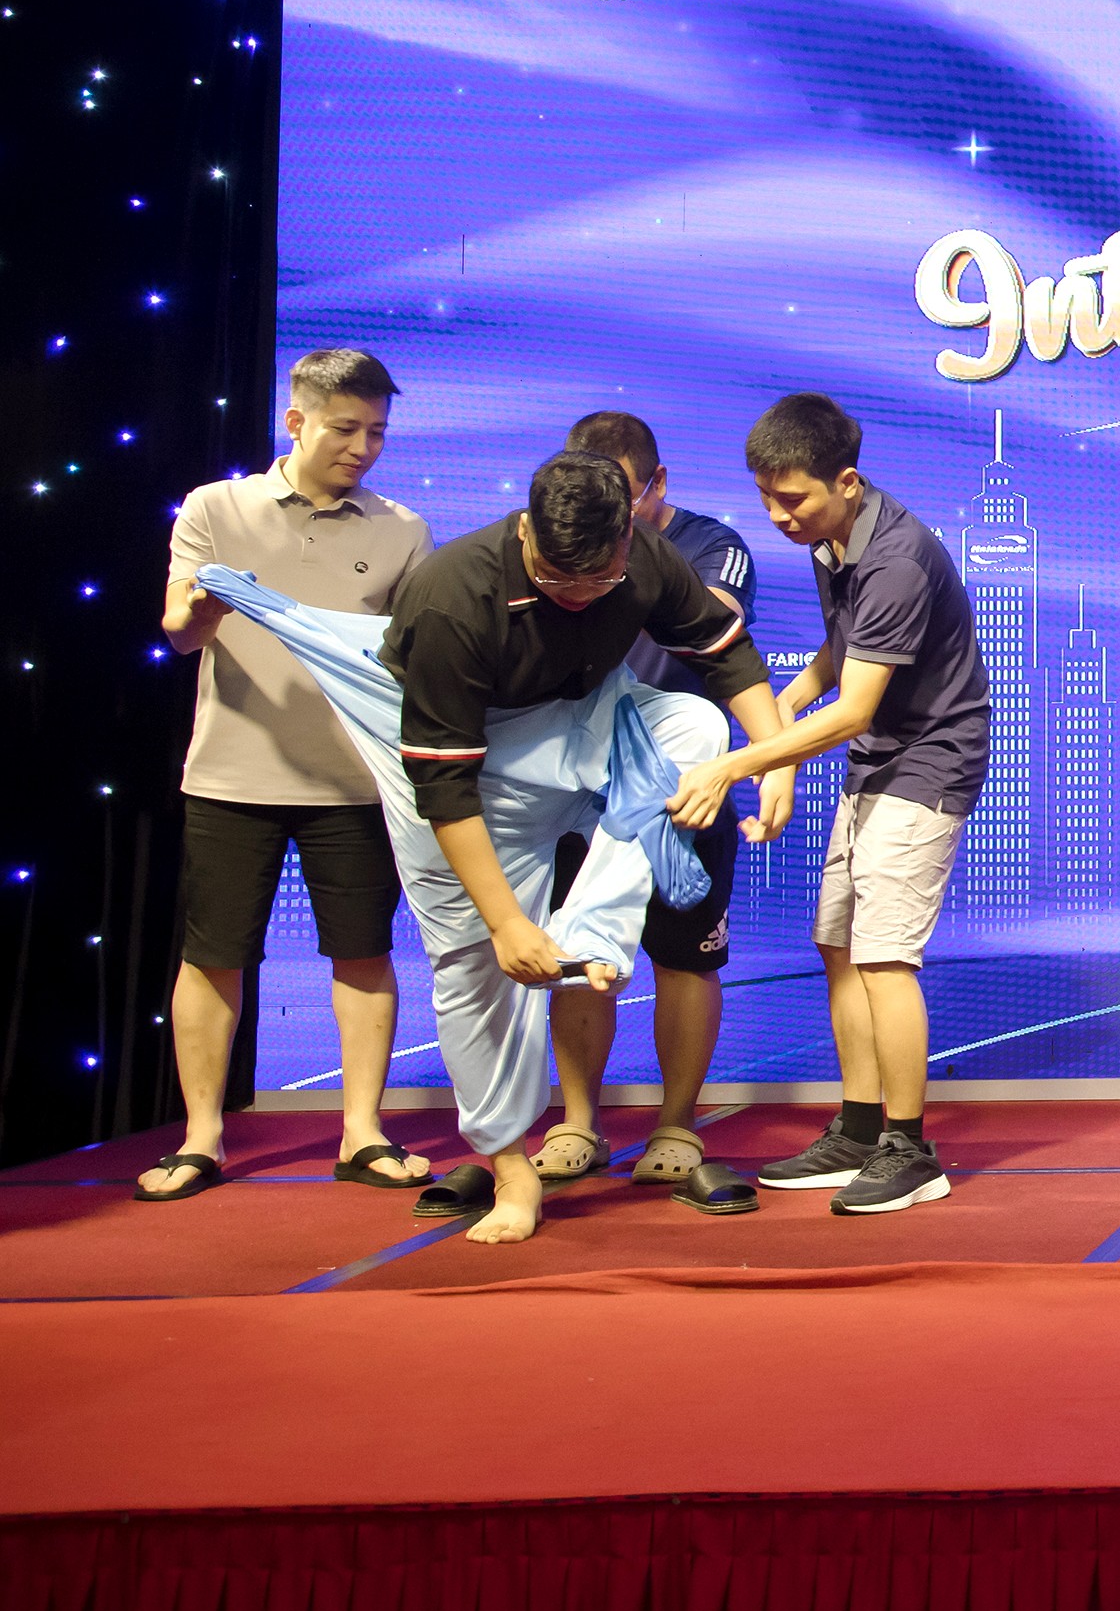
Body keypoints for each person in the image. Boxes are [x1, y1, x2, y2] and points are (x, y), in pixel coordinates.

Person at [373, 449, 793, 1243]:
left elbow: (724, 651)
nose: (577, 595)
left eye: (599, 581)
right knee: (471, 963)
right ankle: (509, 1168)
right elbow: (444, 787)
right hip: (472, 760)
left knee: (695, 724)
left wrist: (773, 761)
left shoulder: (643, 559)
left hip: (584, 715)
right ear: (524, 531)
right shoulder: (453, 598)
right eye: (556, 578)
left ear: (629, 537)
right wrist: (507, 924)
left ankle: (594, 930)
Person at [667, 394, 992, 1218]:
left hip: (930, 760)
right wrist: (779, 712)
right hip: (879, 756)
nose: (778, 516)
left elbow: (851, 711)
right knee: (839, 943)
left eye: (793, 500)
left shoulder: (896, 559)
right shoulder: (832, 540)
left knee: (884, 956)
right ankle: (857, 1129)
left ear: (846, 481)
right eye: (766, 498)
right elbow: (843, 653)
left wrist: (736, 763)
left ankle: (910, 1150)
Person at [140, 350, 433, 1203]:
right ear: (296, 421)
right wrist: (206, 606)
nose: (362, 448)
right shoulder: (215, 507)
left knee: (364, 952)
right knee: (213, 955)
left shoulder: (403, 529)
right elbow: (178, 634)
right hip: (231, 778)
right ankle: (201, 1138)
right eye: (345, 429)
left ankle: (362, 1132)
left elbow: (414, 656)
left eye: (376, 432)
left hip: (356, 783)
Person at [538, 409, 761, 1189]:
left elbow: (712, 626)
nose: (609, 513)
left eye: (623, 495)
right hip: (580, 788)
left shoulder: (710, 545)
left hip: (684, 793)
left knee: (684, 958)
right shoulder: (561, 539)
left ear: (656, 483)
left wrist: (609, 577)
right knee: (577, 955)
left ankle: (676, 1123)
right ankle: (577, 1122)